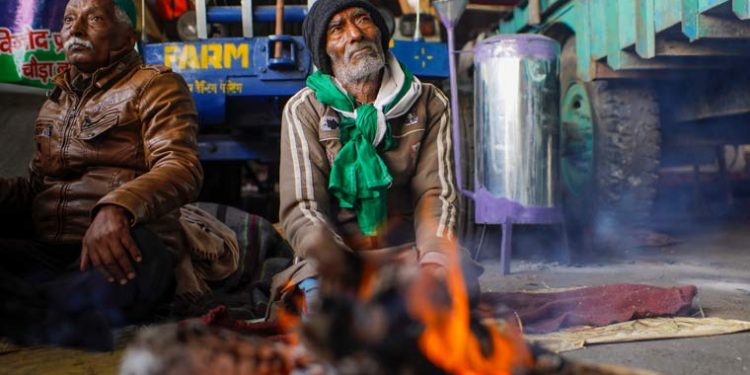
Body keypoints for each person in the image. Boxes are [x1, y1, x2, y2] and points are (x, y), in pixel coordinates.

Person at [0, 0, 202, 349]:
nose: (75, 31)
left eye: (92, 18)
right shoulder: (54, 103)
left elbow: (181, 166)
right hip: (50, 254)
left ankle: (29, 313)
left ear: (126, 37)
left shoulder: (156, 85)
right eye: (68, 20)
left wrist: (117, 208)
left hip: (120, 251)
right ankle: (48, 315)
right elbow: (37, 189)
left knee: (139, 258)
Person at [278, 0, 481, 306]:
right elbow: (303, 207)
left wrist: (434, 260)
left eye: (362, 19)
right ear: (325, 50)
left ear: (380, 31)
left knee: (452, 292)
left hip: (410, 253)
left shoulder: (429, 102)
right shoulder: (303, 110)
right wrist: (340, 267)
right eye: (337, 28)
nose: (355, 33)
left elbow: (436, 193)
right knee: (321, 310)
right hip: (334, 259)